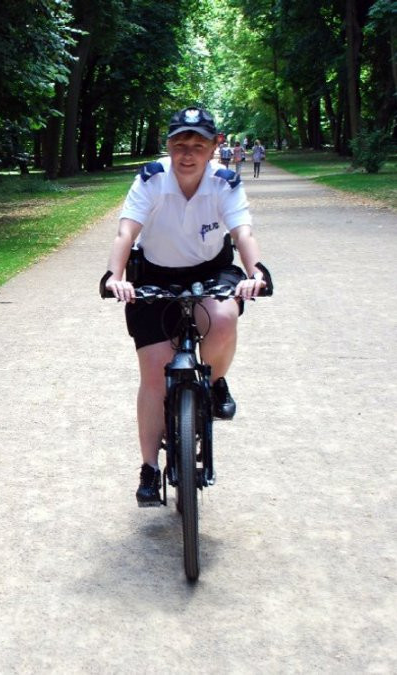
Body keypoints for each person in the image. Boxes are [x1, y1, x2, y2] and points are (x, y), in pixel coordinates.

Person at [101, 107, 268, 507]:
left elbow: (242, 231)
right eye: (179, 145)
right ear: (169, 147)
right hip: (154, 276)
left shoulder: (224, 182)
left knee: (224, 317)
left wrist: (256, 269)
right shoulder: (152, 179)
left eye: (197, 145)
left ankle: (211, 383)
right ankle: (148, 469)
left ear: (214, 147)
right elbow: (127, 230)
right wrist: (114, 275)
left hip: (210, 271)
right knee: (155, 376)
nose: (187, 154)